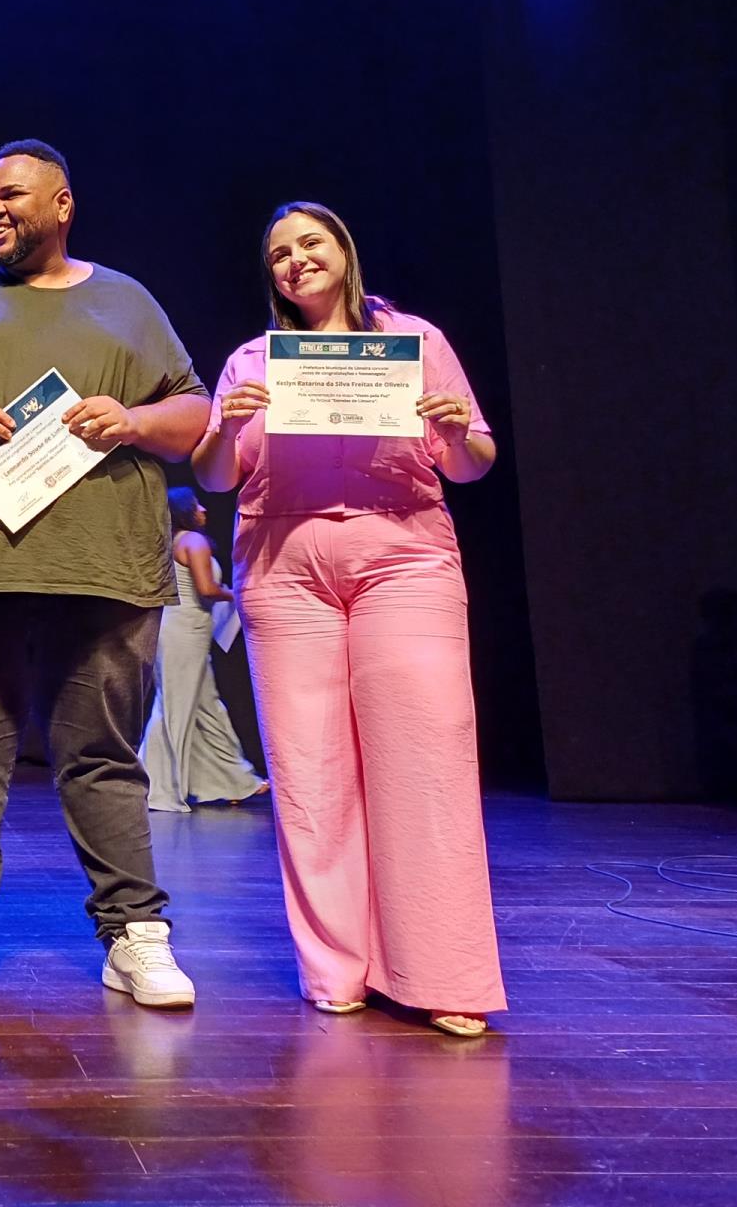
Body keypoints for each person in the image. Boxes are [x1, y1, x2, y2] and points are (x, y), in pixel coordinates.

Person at [0, 139, 210, 1011]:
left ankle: (134, 934)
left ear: (62, 205)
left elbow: (195, 413)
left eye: (12, 195)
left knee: (105, 761)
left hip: (102, 569)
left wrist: (132, 420)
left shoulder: (127, 300)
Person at [191, 201, 505, 1037]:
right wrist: (225, 428)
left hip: (404, 555)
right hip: (284, 566)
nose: (296, 260)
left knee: (428, 758)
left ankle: (442, 970)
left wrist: (455, 433)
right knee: (310, 770)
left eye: (311, 243)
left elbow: (472, 463)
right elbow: (216, 477)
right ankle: (335, 967)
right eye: (279, 254)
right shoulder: (254, 360)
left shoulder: (415, 342)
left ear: (344, 250)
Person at [140, 486, 268, 812]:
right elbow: (207, 589)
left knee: (207, 708)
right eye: (197, 505)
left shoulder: (171, 541)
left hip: (183, 629)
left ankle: (234, 780)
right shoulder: (194, 542)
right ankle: (156, 788)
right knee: (175, 708)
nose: (204, 510)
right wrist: (240, 593)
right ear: (185, 511)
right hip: (184, 631)